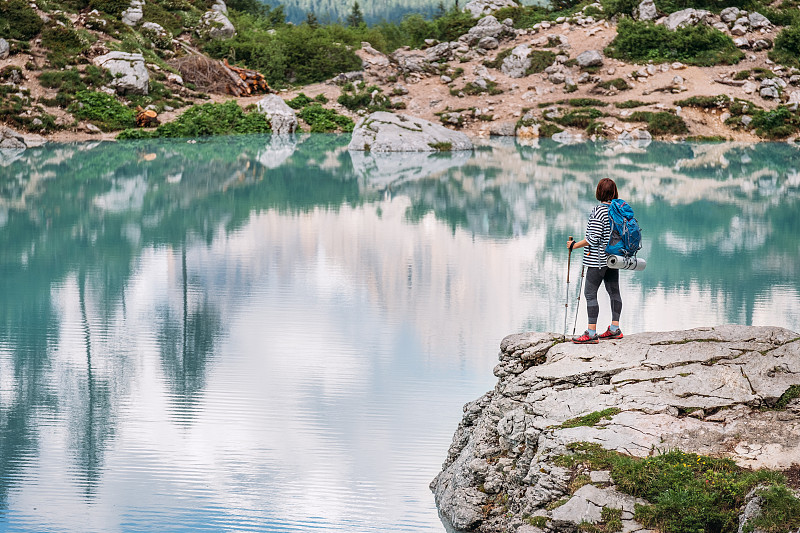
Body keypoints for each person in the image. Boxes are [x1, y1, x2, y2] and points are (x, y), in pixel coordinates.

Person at [567, 178, 623, 344]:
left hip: (597, 260)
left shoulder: (599, 211)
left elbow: (592, 239)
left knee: (590, 294)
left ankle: (591, 333)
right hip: (613, 259)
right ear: (614, 192)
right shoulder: (617, 211)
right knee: (614, 292)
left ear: (599, 192)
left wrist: (574, 245)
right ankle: (614, 329)